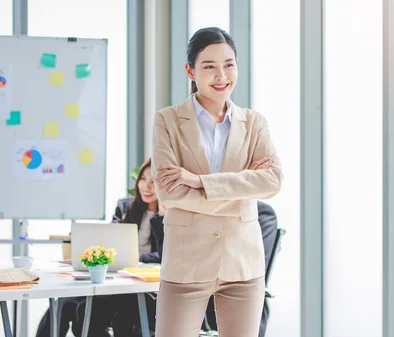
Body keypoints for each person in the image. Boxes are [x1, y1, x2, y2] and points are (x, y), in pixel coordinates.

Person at [151, 27, 283, 337]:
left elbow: (272, 181)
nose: (221, 75)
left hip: (243, 262)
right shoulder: (167, 120)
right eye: (209, 66)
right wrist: (240, 193)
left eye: (229, 64)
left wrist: (199, 181)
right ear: (191, 71)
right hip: (186, 263)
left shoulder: (254, 123)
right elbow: (168, 191)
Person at [35, 158, 164, 337]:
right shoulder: (125, 207)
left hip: (142, 288)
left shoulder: (170, 214)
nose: (146, 186)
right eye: (143, 179)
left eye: (153, 181)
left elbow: (164, 256)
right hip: (117, 278)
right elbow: (110, 242)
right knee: (63, 303)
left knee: (86, 312)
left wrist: (135, 257)